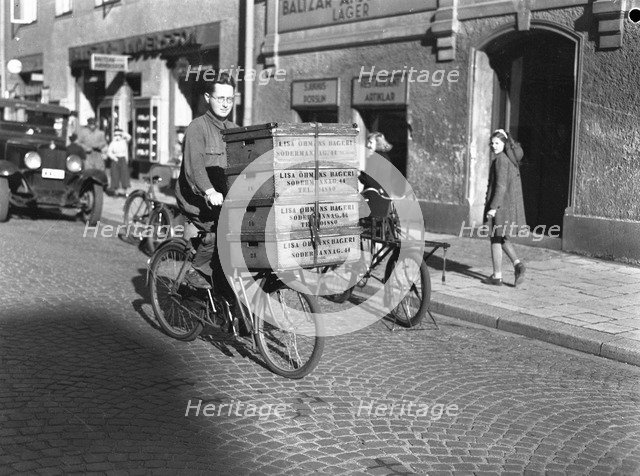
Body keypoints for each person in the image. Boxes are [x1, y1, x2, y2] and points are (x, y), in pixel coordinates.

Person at [175, 72, 238, 298]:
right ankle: (197, 271)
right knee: (215, 235)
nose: (225, 104)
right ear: (207, 98)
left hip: (224, 200)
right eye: (220, 98)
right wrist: (209, 191)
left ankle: (228, 294)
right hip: (197, 200)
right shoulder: (197, 127)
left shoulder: (234, 130)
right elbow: (195, 167)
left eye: (229, 99)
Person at [482, 129, 527, 286]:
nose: (494, 146)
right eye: (492, 143)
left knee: (495, 237)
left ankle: (497, 276)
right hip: (508, 205)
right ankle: (518, 265)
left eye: (498, 143)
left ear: (504, 143)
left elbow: (500, 186)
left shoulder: (501, 160)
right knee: (501, 238)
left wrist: (493, 207)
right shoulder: (509, 159)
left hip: (500, 205)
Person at [106, 128, 132, 197]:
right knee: (115, 175)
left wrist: (123, 133)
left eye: (119, 135)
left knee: (124, 175)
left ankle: (124, 192)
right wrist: (113, 157)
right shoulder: (113, 143)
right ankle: (116, 191)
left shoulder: (124, 141)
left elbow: (129, 137)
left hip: (123, 159)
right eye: (116, 135)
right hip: (115, 159)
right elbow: (109, 152)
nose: (117, 136)